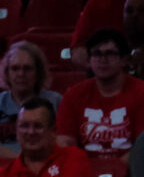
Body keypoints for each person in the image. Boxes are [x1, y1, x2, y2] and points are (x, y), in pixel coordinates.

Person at [0, 42, 64, 159]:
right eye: (15, 68)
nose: (21, 74)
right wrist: (17, 159)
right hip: (0, 167)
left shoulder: (55, 101)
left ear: (38, 73)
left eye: (27, 68)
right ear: (7, 73)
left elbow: (63, 143)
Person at [58, 29, 144, 160]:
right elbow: (65, 142)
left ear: (124, 60)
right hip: (83, 170)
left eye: (110, 53)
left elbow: (141, 146)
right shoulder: (73, 95)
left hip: (132, 171)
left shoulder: (141, 92)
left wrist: (115, 169)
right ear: (89, 60)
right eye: (97, 54)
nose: (103, 60)